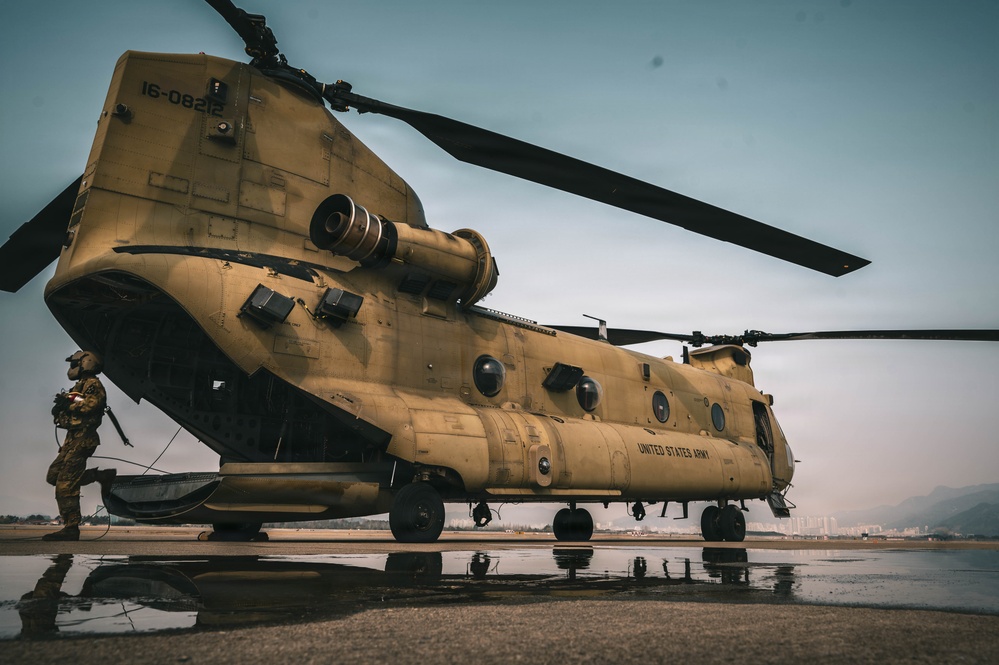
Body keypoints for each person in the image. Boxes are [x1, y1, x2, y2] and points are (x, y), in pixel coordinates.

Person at [44, 350, 116, 541]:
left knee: (65, 484)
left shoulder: (93, 385)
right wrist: (60, 411)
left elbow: (89, 405)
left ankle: (71, 527)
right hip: (71, 440)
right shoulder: (80, 386)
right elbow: (70, 413)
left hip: (82, 440)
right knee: (54, 476)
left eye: (75, 364)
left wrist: (68, 405)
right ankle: (99, 476)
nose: (72, 368)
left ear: (86, 363)